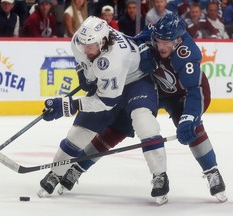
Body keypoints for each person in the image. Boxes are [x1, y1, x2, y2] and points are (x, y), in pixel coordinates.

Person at [65, 13, 227, 203]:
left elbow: (195, 91)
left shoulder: (187, 54)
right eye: (158, 40)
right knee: (119, 127)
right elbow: (128, 43)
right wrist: (141, 51)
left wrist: (190, 117)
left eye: (166, 42)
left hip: (184, 96)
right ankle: (78, 167)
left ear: (178, 40)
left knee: (192, 129)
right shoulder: (153, 32)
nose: (160, 46)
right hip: (156, 90)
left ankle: (212, 172)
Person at [38, 16, 169, 205]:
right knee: (77, 135)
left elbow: (105, 102)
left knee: (144, 123)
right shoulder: (80, 41)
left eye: (90, 45)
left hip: (136, 82)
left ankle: (160, 175)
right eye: (83, 43)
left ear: (103, 42)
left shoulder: (114, 59)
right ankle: (55, 172)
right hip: (108, 83)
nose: (85, 48)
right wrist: (84, 74)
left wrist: (67, 106)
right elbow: (81, 58)